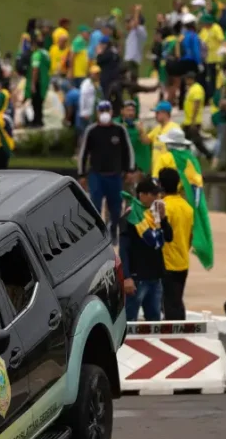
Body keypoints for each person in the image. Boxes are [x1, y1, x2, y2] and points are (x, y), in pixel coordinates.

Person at [77, 100, 134, 242]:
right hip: (96, 175)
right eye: (101, 111)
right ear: (97, 113)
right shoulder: (91, 130)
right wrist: (81, 174)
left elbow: (128, 151)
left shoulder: (119, 130)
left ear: (111, 112)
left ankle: (114, 230)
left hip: (115, 176)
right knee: (94, 206)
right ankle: (98, 234)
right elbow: (83, 153)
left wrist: (129, 170)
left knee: (115, 208)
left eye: (106, 111)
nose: (104, 114)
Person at [118, 177, 169, 323]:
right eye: (153, 194)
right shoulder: (130, 215)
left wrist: (164, 219)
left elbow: (169, 237)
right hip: (137, 279)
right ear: (142, 194)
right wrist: (126, 277)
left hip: (155, 277)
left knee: (154, 322)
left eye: (158, 194)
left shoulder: (155, 216)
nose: (157, 198)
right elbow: (124, 249)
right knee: (129, 322)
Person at [158, 167, 193, 321]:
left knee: (169, 305)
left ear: (161, 185)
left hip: (167, 263)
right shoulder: (187, 207)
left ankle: (175, 338)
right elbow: (190, 236)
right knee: (177, 301)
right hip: (183, 261)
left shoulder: (162, 207)